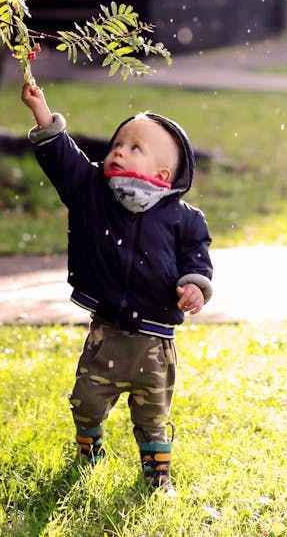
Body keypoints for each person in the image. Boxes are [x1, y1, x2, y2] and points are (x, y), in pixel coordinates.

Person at [21, 80, 213, 493]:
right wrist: (42, 113)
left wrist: (195, 286)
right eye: (117, 144)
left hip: (155, 343)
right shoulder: (93, 192)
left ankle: (157, 474)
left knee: (152, 414)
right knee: (87, 401)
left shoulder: (183, 219)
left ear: (162, 174)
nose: (118, 151)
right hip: (106, 334)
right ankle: (89, 449)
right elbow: (64, 160)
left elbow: (197, 258)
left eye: (133, 148)